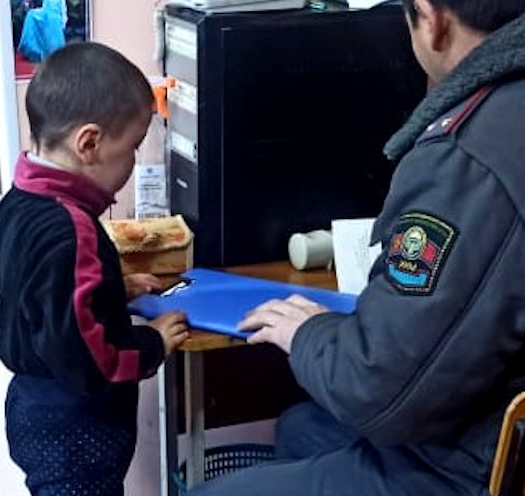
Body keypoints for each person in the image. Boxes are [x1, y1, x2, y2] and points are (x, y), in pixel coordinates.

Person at [190, 1, 525, 495]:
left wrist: (310, 333)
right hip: (481, 418)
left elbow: (378, 389)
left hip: (470, 468)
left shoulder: (470, 157)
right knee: (302, 428)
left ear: (431, 19)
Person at [0, 42, 190, 496]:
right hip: (75, 426)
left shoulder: (19, 204)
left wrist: (110, 288)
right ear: (89, 143)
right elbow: (89, 357)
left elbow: (40, 298)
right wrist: (151, 344)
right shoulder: (72, 228)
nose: (134, 161)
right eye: (133, 147)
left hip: (31, 405)